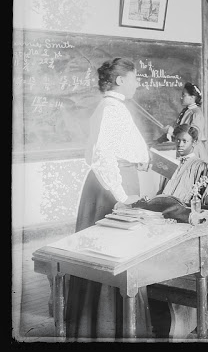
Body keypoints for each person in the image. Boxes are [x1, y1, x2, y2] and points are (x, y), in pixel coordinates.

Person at [65, 58, 151, 339]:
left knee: (121, 254)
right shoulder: (111, 109)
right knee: (111, 256)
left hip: (118, 182)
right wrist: (122, 196)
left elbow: (117, 149)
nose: (138, 83)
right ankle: (105, 330)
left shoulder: (115, 107)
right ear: (120, 80)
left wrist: (138, 159)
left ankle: (114, 328)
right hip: (110, 192)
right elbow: (102, 156)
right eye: (134, 78)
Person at [157, 124, 208, 204]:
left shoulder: (200, 166)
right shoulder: (170, 164)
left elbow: (199, 195)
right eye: (178, 140)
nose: (180, 144)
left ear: (194, 142)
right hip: (164, 205)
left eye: (185, 141)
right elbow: (161, 190)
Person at [161, 82, 207, 161]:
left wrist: (172, 132)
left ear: (192, 97)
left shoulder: (196, 114)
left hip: (193, 151)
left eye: (184, 95)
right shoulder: (186, 111)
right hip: (185, 149)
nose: (181, 97)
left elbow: (194, 136)